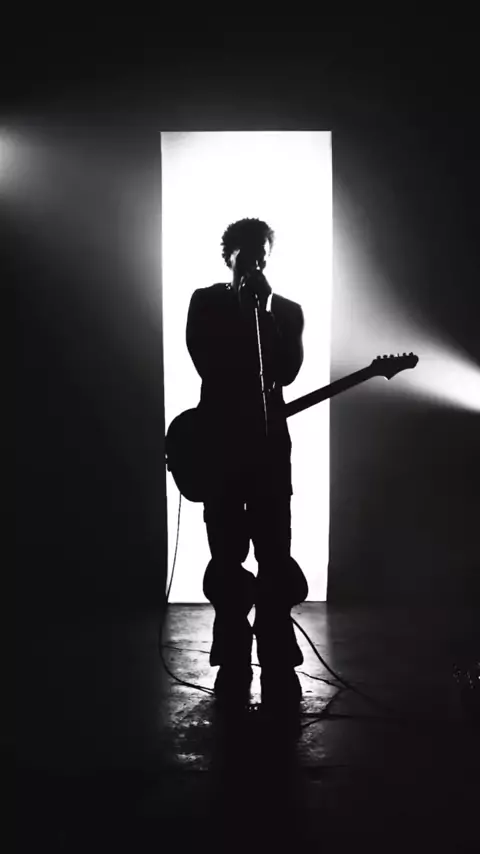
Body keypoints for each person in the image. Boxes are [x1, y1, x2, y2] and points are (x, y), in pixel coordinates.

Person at [186, 217, 308, 710]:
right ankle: (233, 656)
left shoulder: (287, 311)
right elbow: (208, 363)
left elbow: (288, 372)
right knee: (227, 556)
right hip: (221, 452)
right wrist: (241, 310)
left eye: (262, 254)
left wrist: (267, 316)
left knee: (275, 555)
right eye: (246, 254)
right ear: (228, 256)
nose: (256, 262)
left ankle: (277, 656)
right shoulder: (205, 302)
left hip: (270, 454)